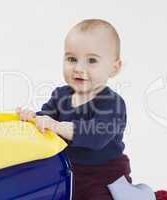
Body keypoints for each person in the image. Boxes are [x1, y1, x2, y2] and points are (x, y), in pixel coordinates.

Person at [16, 19, 131, 200]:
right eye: (71, 59)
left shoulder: (112, 103)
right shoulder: (61, 95)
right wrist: (31, 118)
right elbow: (45, 119)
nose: (78, 68)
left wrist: (57, 126)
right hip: (66, 170)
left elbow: (96, 136)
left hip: (103, 175)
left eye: (92, 60)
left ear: (114, 68)